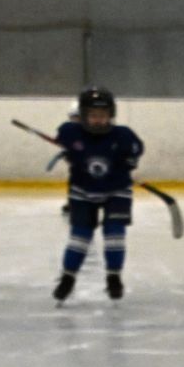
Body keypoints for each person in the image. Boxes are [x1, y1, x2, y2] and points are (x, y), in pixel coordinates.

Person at [51, 86, 144, 303]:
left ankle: (114, 277)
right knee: (80, 237)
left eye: (102, 116)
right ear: (83, 116)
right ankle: (68, 278)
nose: (98, 120)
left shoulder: (124, 136)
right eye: (93, 115)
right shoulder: (70, 132)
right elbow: (64, 140)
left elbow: (136, 150)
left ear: (111, 115)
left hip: (117, 192)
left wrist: (129, 163)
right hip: (82, 192)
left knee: (114, 234)